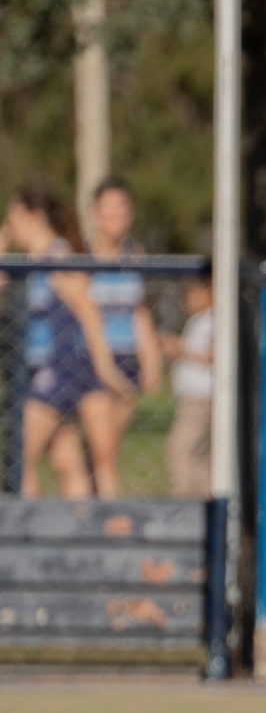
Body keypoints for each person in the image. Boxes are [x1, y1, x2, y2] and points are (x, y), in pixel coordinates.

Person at [0, 183, 131, 499]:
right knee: (67, 462)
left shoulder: (56, 256)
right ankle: (79, 534)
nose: (9, 221)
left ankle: (24, 534)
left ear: (34, 216)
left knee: (20, 460)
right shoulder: (29, 262)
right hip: (40, 370)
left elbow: (87, 310)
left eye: (14, 215)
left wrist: (105, 366)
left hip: (60, 370)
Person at [71, 179, 162, 498]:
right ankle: (114, 526)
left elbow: (137, 311)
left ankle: (91, 509)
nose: (115, 215)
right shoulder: (80, 256)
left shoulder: (134, 255)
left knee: (105, 451)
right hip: (90, 361)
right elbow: (84, 314)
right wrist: (104, 366)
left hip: (126, 359)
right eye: (107, 208)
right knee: (103, 453)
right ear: (95, 214)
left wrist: (151, 360)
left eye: (121, 207)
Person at [161, 277, 213, 497]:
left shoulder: (214, 319)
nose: (187, 300)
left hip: (202, 395)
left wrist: (179, 349)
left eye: (193, 294)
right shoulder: (198, 319)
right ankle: (205, 496)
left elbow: (213, 356)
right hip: (192, 395)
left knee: (180, 448)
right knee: (193, 452)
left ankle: (186, 495)